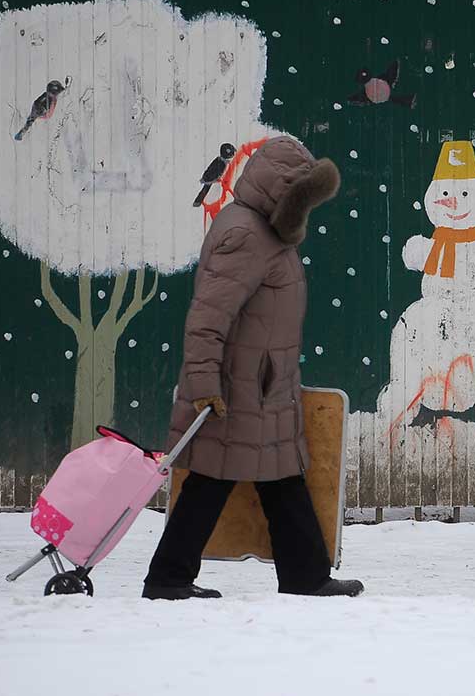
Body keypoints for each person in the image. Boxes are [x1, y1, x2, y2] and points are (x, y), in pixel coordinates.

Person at [143, 136, 364, 600]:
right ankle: (168, 579)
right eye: (302, 200)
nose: (304, 213)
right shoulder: (246, 234)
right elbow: (207, 317)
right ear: (282, 193)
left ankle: (304, 574)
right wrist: (203, 383)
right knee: (212, 480)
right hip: (236, 387)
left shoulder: (263, 232)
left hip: (261, 385)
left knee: (280, 477)